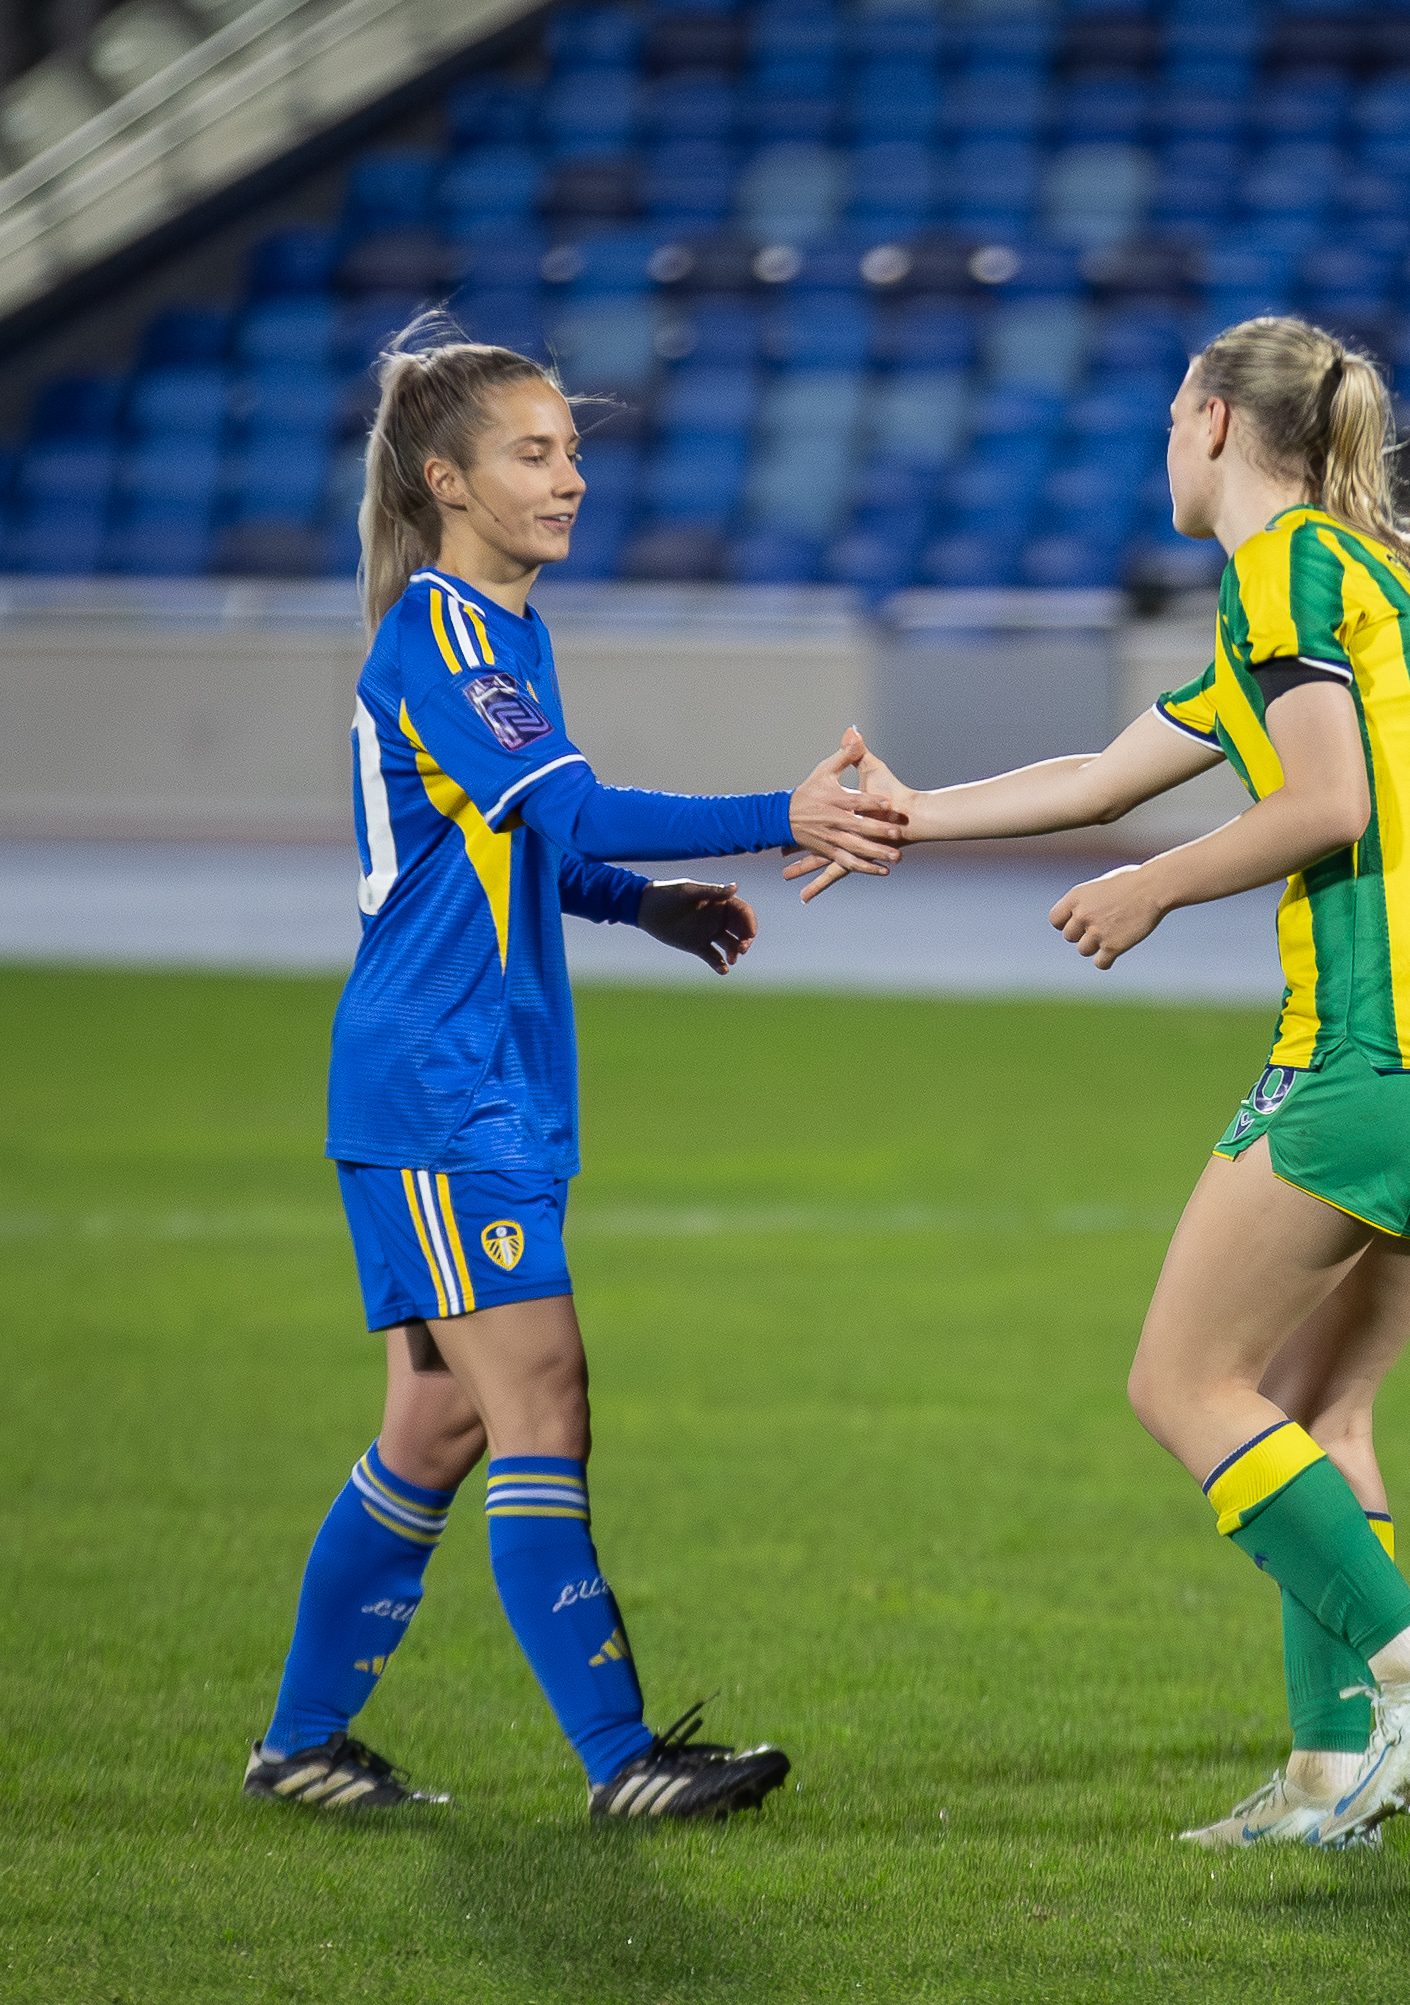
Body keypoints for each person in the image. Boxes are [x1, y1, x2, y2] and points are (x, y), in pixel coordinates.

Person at [800, 316, 1410, 1850]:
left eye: (1166, 415)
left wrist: (1154, 888)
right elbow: (1095, 770)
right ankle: (1334, 1773)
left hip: (1376, 1043)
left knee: (1178, 1381)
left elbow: (1325, 798)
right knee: (1312, 1405)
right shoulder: (1356, 576)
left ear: (1210, 420)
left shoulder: (1278, 573)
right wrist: (908, 815)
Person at [242, 315, 905, 1818]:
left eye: (575, 451)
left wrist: (645, 907)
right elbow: (577, 807)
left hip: (477, 1081)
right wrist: (786, 811)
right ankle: (623, 1760)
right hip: (443, 1089)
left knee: (438, 1422)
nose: (571, 479)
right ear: (447, 478)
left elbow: (529, 842)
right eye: (535, 453)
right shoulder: (447, 633)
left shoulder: (499, 633)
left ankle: (298, 1744)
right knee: (542, 1397)